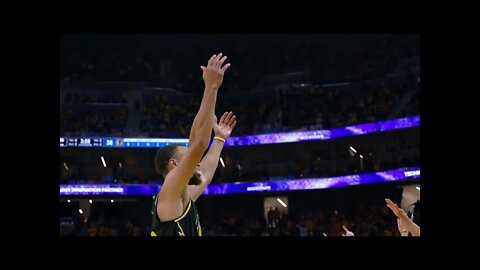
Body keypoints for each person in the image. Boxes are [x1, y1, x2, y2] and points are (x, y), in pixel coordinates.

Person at [150, 53, 237, 236]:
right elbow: (198, 144)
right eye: (188, 158)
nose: (197, 162)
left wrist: (219, 139)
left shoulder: (182, 196)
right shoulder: (170, 190)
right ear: (173, 164)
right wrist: (211, 88)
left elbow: (204, 174)